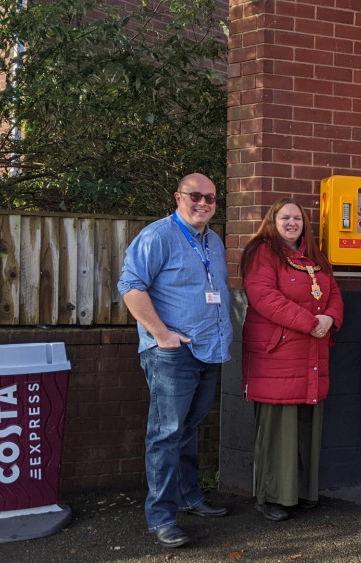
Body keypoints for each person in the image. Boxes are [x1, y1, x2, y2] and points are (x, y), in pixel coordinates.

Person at [117, 173, 233, 549]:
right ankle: (162, 517)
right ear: (178, 197)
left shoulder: (214, 241)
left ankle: (189, 497)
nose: (203, 204)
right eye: (195, 196)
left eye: (211, 198)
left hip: (209, 350)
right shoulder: (158, 235)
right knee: (165, 434)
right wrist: (162, 334)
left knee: (187, 430)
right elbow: (130, 287)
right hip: (172, 353)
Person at [240, 198, 344, 522]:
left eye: (297, 218)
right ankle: (272, 497)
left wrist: (330, 318)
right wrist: (311, 322)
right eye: (284, 217)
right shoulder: (262, 252)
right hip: (278, 356)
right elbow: (264, 298)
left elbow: (335, 294)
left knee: (304, 425)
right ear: (273, 220)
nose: (291, 223)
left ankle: (299, 492)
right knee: (277, 428)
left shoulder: (314, 256)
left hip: (311, 353)